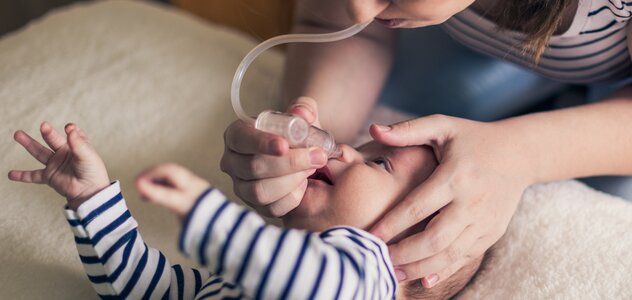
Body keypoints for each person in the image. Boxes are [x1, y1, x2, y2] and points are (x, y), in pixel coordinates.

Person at [221, 0, 632, 289]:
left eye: (379, 164)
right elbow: (344, 26)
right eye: (371, 155)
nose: (360, 9)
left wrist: (519, 154)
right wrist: (309, 128)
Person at [8, 122, 488, 299]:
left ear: (420, 239)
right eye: (361, 147)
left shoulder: (372, 274)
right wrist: (93, 201)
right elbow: (144, 287)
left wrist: (211, 217)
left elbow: (313, 283)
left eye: (378, 163)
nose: (345, 150)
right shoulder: (244, 272)